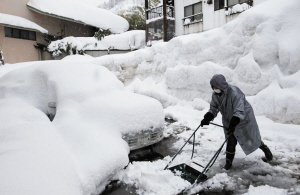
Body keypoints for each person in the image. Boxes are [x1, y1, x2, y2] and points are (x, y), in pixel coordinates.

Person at [200, 74, 273, 170]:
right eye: (213, 87)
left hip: (243, 119)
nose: (214, 88)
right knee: (230, 141)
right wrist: (208, 117)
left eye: (216, 86)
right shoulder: (215, 95)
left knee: (251, 138)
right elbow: (214, 108)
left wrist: (234, 121)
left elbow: (239, 110)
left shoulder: (234, 92)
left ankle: (266, 150)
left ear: (221, 85)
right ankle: (228, 164)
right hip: (228, 119)